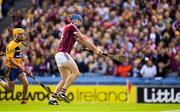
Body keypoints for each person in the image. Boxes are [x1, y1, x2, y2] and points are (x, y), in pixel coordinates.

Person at [48, 14, 103, 105]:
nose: (81, 23)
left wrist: (95, 50)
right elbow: (84, 38)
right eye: (80, 21)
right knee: (76, 72)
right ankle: (63, 92)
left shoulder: (72, 30)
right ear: (75, 20)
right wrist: (96, 48)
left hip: (60, 55)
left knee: (64, 79)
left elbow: (83, 42)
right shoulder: (71, 26)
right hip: (63, 54)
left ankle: (52, 99)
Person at [0, 28, 32, 104]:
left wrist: (22, 66)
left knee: (26, 83)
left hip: (18, 67)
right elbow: (11, 60)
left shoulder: (22, 44)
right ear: (15, 35)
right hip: (10, 69)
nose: (21, 36)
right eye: (19, 34)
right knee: (10, 90)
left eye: (22, 34)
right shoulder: (11, 45)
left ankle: (23, 100)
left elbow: (18, 56)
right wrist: (20, 66)